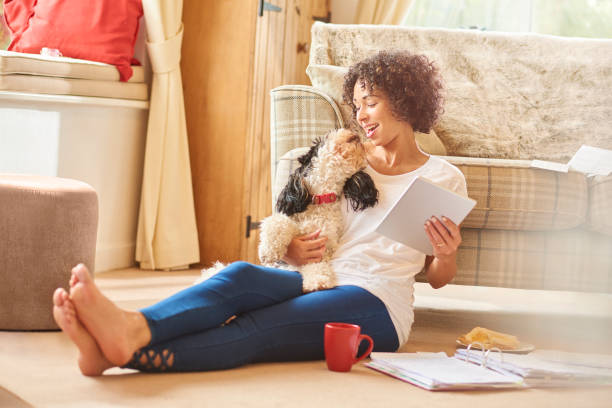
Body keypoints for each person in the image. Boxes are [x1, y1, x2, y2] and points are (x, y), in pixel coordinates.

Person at [52, 50, 467, 375]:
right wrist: (293, 251)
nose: (360, 116)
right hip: (315, 275)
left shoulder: (443, 177)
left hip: (376, 301)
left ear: (405, 101)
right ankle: (126, 333)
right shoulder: (347, 159)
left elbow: (437, 278)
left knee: (259, 327)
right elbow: (312, 218)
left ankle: (127, 351)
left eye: (370, 103)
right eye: (356, 105)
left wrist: (446, 255)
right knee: (238, 277)